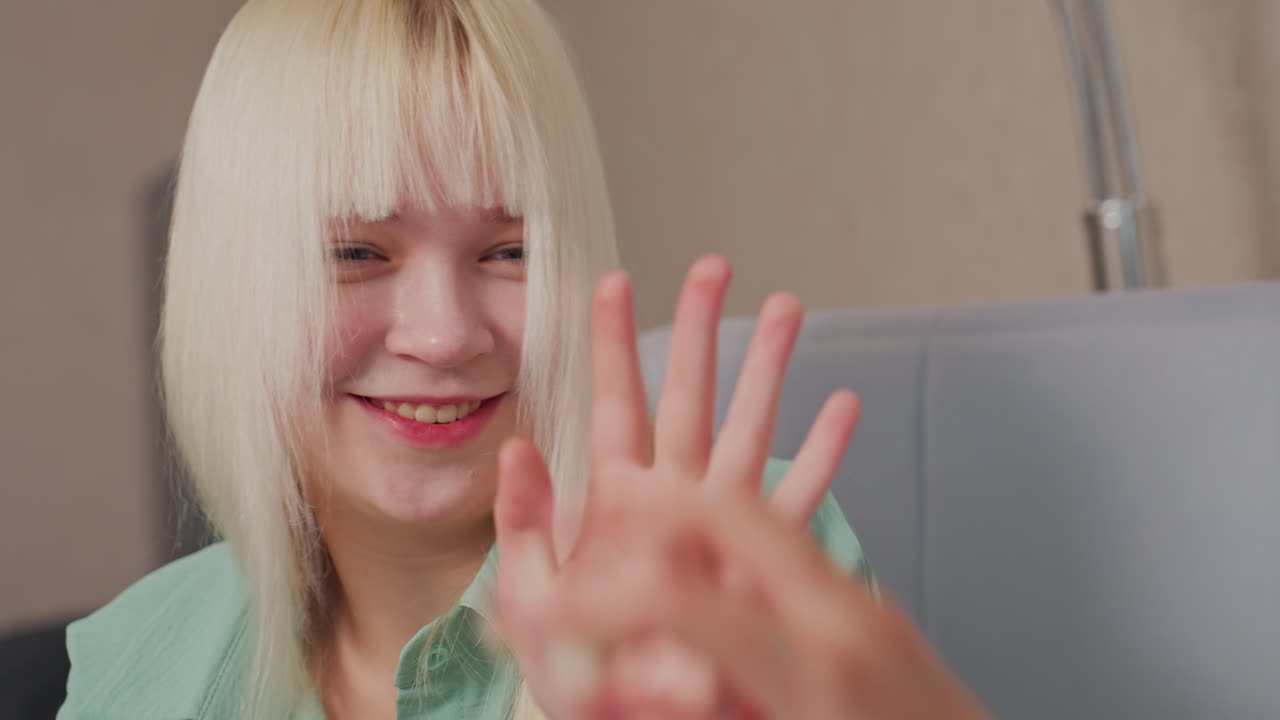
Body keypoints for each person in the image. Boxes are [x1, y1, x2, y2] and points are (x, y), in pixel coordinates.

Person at [57, 1, 990, 718]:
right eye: (354, 253)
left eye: (509, 252)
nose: (443, 334)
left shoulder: (735, 563)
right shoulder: (136, 656)